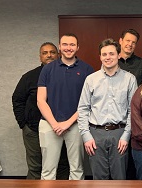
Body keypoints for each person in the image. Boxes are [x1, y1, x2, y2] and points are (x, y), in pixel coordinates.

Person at [77, 39, 137, 180]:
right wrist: (86, 136)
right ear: (100, 57)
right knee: (99, 180)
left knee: (119, 178)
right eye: (104, 54)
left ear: (118, 55)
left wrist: (126, 136)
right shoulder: (91, 79)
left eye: (111, 53)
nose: (108, 57)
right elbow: (83, 109)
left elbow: (132, 111)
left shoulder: (130, 79)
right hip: (95, 135)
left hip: (120, 134)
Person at [37, 34, 94, 180]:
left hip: (76, 125)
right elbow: (41, 100)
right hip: (49, 124)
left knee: (77, 169)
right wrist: (55, 124)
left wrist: (68, 123)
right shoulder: (48, 69)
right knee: (48, 170)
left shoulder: (87, 70)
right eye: (65, 44)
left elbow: (87, 103)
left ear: (77, 47)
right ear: (60, 47)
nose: (69, 48)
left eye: (72, 45)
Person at [12, 42, 70, 179]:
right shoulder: (29, 77)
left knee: (62, 165)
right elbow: (17, 100)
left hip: (60, 129)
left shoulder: (67, 74)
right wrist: (23, 124)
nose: (49, 55)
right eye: (45, 53)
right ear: (40, 57)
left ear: (58, 54)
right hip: (33, 131)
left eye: (52, 52)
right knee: (36, 166)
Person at [117, 28, 142, 179]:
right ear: (121, 41)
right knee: (118, 160)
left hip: (136, 118)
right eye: (127, 41)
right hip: (116, 119)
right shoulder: (111, 60)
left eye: (133, 42)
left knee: (133, 159)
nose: (130, 44)